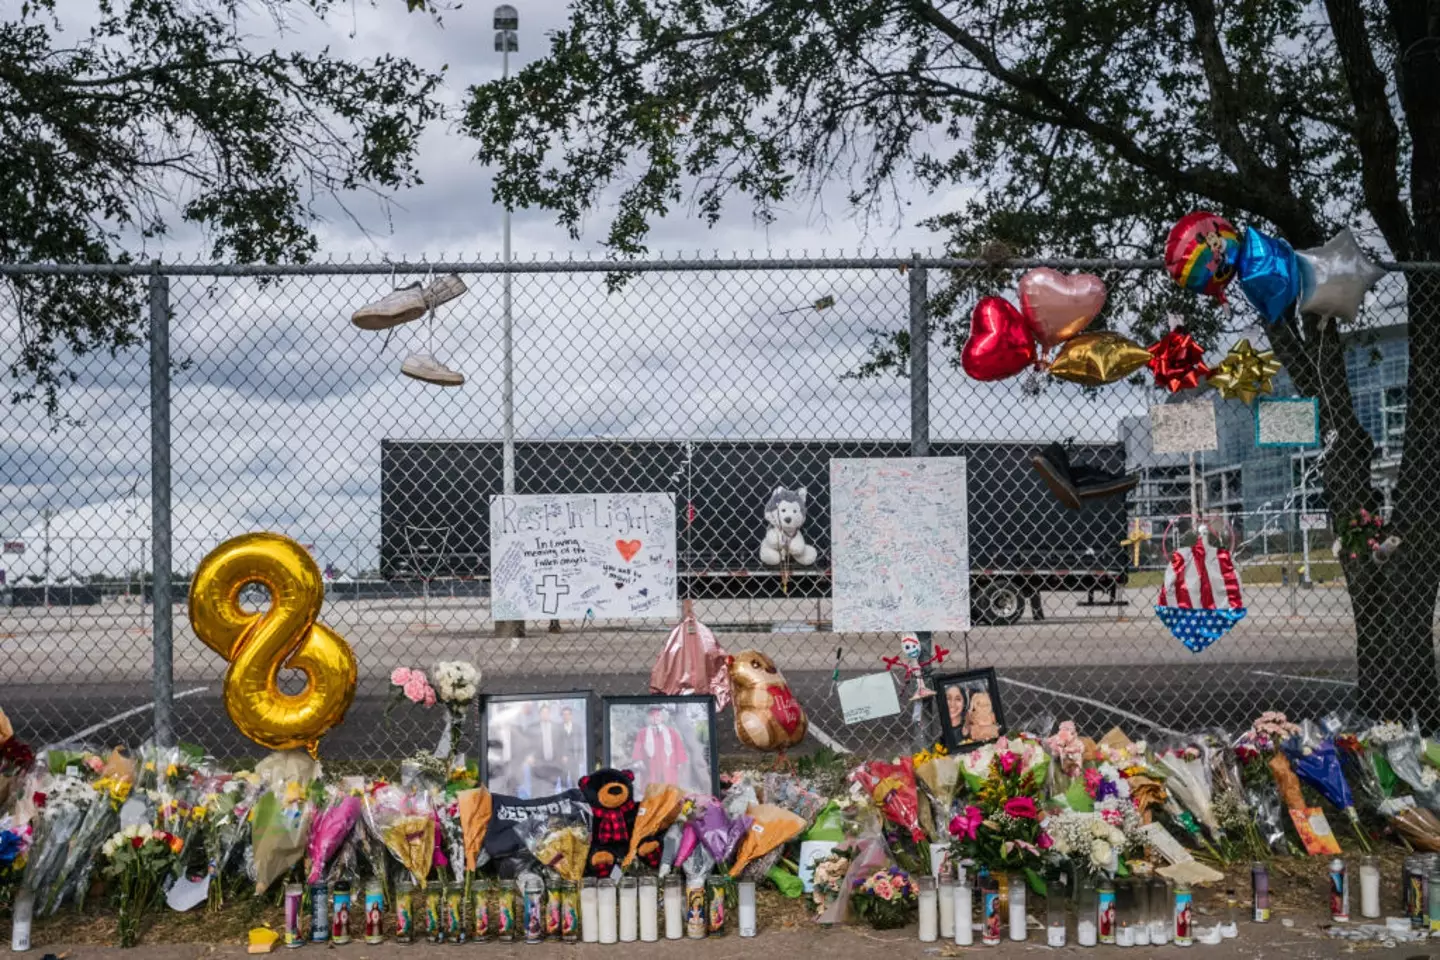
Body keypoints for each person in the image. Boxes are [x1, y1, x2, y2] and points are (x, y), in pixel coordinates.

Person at [631, 705, 689, 792]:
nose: (655, 718)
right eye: (652, 716)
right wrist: (639, 760)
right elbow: (638, 748)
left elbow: (679, 747)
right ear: (649, 718)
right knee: (651, 787)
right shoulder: (643, 733)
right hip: (650, 764)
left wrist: (679, 761)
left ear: (662, 717)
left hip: (668, 763)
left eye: (658, 716)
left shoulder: (671, 732)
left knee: (668, 787)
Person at [522, 702, 566, 794]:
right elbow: (525, 745)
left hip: (554, 764)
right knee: (537, 791)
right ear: (539, 714)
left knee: (551, 792)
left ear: (549, 714)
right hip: (537, 764)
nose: (545, 715)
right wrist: (528, 756)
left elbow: (563, 743)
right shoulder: (531, 728)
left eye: (547, 712)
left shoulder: (558, 727)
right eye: (543, 713)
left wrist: (564, 756)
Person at [559, 704, 585, 787]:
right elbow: (556, 744)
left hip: (575, 759)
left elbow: (581, 743)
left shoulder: (577, 727)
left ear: (571, 715)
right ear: (562, 716)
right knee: (563, 782)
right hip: (563, 761)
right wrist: (561, 756)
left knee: (575, 781)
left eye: (568, 714)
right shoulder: (558, 728)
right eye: (564, 714)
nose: (566, 716)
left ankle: (575, 799)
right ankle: (564, 799)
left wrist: (581, 758)